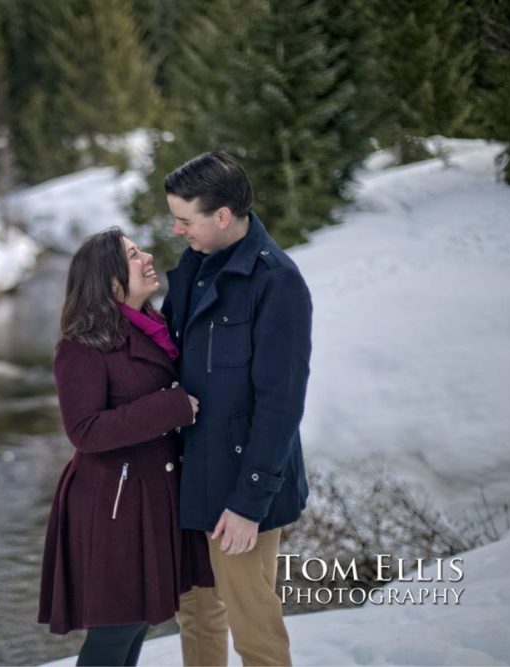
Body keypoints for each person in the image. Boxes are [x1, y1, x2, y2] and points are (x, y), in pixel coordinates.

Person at [160, 151, 312, 666]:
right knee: (197, 618)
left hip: (241, 487)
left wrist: (250, 502)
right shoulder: (193, 268)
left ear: (222, 215)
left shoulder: (276, 281)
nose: (177, 229)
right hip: (190, 475)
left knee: (254, 627)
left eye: (185, 218)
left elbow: (283, 402)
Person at [38, 228, 215, 666]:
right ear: (110, 278)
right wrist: (171, 406)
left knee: (136, 623)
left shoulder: (152, 328)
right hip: (112, 504)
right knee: (116, 629)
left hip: (151, 497)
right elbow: (85, 430)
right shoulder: (81, 347)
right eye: (134, 255)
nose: (148, 256)